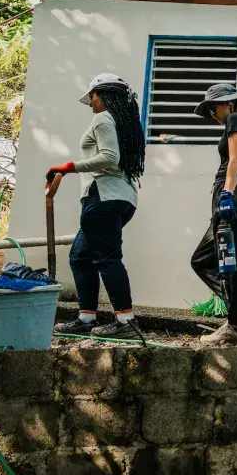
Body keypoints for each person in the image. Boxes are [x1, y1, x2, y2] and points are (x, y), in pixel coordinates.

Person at [50, 74, 146, 339]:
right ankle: (86, 317)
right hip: (123, 199)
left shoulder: (103, 118)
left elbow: (109, 158)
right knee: (81, 256)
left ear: (103, 95)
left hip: (101, 196)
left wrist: (69, 167)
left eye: (92, 96)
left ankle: (126, 322)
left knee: (107, 257)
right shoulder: (125, 123)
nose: (90, 102)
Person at [190, 83, 237, 346]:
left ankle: (235, 325)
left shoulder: (236, 119)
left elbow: (236, 160)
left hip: (233, 198)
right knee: (207, 259)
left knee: (231, 265)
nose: (212, 114)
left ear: (229, 104)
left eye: (213, 107)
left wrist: (228, 194)